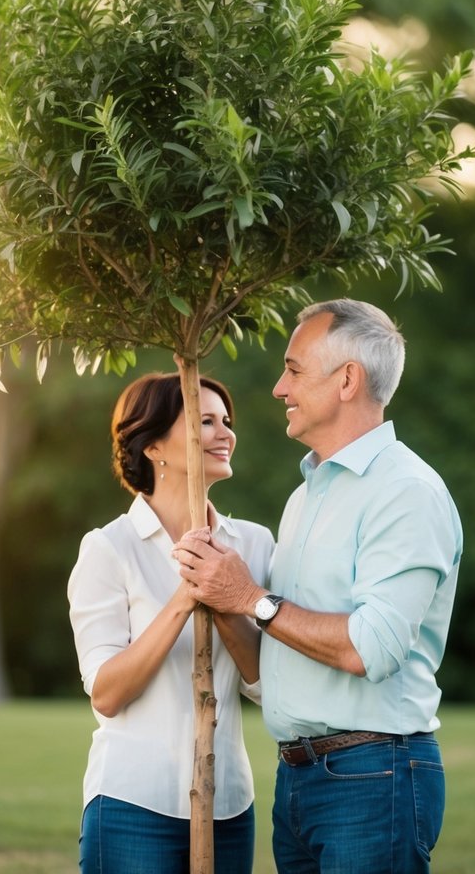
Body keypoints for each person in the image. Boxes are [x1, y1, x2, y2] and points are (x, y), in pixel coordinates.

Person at [173, 299, 463, 874]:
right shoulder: (306, 494)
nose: (279, 388)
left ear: (348, 380)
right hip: (298, 779)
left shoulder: (405, 491)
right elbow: (280, 650)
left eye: (294, 369)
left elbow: (369, 648)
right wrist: (217, 593)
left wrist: (249, 597)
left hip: (373, 775)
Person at [67, 371, 275, 874]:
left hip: (229, 804)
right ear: (154, 444)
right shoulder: (108, 548)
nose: (225, 433)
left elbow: (266, 684)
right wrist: (184, 599)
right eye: (205, 421)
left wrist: (227, 597)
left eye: (226, 421)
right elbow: (108, 693)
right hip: (131, 806)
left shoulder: (254, 544)